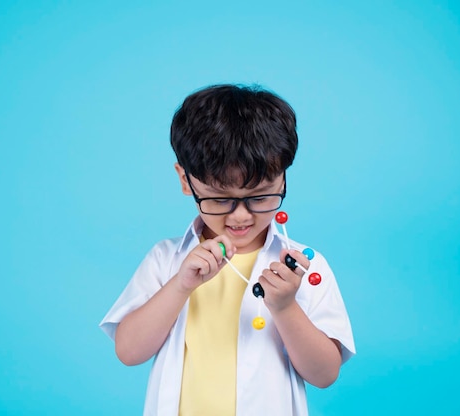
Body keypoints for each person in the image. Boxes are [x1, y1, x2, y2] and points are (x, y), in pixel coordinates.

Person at [99, 84, 355, 415]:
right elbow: (129, 352)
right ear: (185, 180)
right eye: (220, 199)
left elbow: (324, 375)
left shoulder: (303, 265)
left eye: (261, 197)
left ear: (283, 179)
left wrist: (286, 306)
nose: (240, 216)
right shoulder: (166, 260)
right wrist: (180, 286)